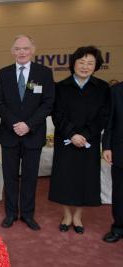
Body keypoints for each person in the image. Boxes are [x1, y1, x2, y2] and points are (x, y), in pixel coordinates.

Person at [0, 35, 55, 230]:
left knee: (30, 178)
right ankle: (11, 213)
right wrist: (15, 123)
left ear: (33, 50)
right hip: (10, 134)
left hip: (33, 134)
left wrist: (28, 125)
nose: (22, 52)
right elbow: (0, 103)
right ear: (13, 51)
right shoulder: (3, 74)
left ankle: (28, 214)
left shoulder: (44, 73)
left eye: (25, 48)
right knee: (10, 177)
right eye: (18, 49)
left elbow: (48, 103)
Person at [49, 46, 110, 234]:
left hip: (88, 142)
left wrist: (86, 135)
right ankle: (67, 214)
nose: (85, 66)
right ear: (73, 64)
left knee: (85, 179)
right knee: (65, 179)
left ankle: (78, 216)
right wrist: (72, 134)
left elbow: (103, 116)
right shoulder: (61, 87)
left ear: (96, 66)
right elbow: (57, 115)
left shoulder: (102, 88)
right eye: (81, 62)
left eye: (90, 63)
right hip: (66, 141)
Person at [103, 81, 123, 242]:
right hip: (120, 149)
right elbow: (109, 121)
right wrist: (107, 146)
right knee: (119, 191)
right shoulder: (116, 90)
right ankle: (118, 227)